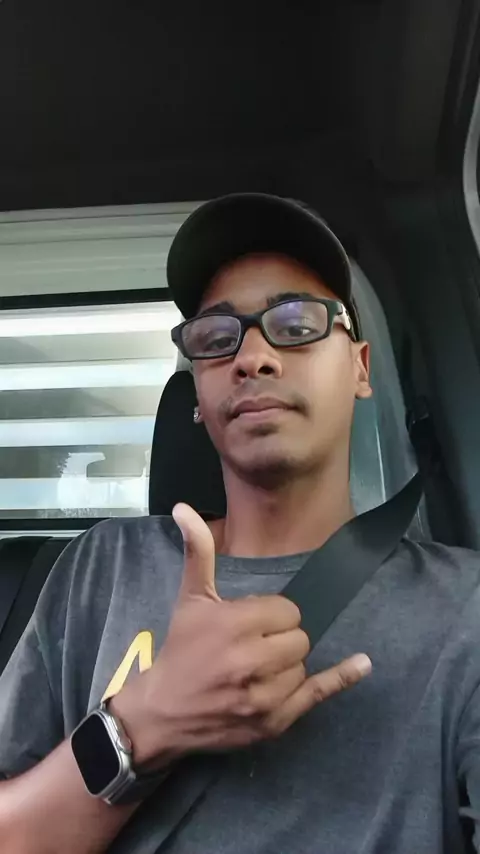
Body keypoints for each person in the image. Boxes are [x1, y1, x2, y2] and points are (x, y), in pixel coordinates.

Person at [0, 193, 479, 854]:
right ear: (198, 394)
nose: (253, 357)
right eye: (217, 338)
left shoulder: (464, 608)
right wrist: (144, 722)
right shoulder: (100, 567)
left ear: (360, 369)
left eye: (297, 322)